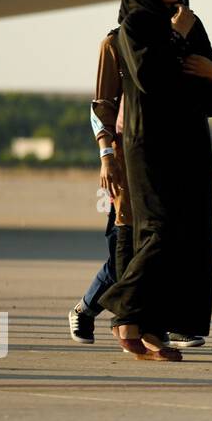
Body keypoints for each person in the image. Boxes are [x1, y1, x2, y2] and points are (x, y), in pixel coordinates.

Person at [99, 0, 212, 360]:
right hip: (151, 145)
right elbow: (149, 79)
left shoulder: (189, 22)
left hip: (191, 145)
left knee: (188, 237)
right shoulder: (136, 25)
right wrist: (177, 37)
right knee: (160, 231)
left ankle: (153, 327)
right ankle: (122, 309)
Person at [67, 27, 133, 344]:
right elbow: (101, 106)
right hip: (124, 165)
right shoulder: (115, 44)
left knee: (154, 248)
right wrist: (106, 155)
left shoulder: (172, 37)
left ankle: (139, 322)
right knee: (124, 250)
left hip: (157, 166)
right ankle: (87, 308)